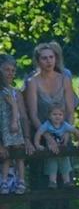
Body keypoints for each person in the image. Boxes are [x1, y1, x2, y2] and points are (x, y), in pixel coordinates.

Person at [25, 43, 77, 209]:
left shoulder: (64, 78)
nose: (48, 61)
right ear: (38, 61)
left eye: (51, 57)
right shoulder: (32, 82)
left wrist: (66, 133)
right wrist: (46, 137)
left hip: (63, 129)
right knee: (41, 176)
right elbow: (32, 114)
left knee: (65, 174)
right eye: (44, 58)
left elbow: (70, 109)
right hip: (40, 132)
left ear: (56, 58)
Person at [0, 54, 34, 195]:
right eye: (6, 69)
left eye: (13, 70)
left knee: (8, 193)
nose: (10, 73)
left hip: (13, 143)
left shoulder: (16, 93)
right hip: (2, 143)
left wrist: (26, 138)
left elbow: (23, 118)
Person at [34, 103, 79, 188]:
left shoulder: (64, 125)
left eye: (60, 115)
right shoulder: (47, 125)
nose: (57, 117)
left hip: (63, 149)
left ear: (63, 116)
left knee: (65, 164)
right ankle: (52, 182)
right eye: (54, 114)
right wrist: (37, 144)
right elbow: (38, 133)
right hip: (51, 150)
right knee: (51, 165)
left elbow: (76, 131)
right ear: (49, 116)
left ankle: (67, 181)